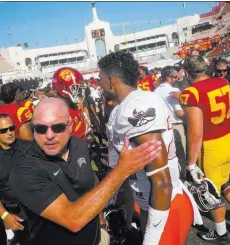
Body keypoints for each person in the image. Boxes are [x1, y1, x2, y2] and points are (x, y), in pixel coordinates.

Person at [9, 97, 162, 245]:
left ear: (70, 126)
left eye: (58, 127)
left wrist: (101, 225)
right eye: (41, 129)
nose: (49, 135)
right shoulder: (24, 170)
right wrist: (121, 170)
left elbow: (91, 182)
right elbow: (73, 220)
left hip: (97, 238)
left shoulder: (79, 146)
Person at [98, 51, 198, 245]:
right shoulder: (122, 108)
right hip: (149, 204)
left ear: (111, 80)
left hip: (164, 205)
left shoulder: (135, 107)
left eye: (101, 79)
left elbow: (161, 181)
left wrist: (152, 239)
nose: (99, 85)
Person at [180, 55, 230, 243]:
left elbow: (195, 133)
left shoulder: (191, 93)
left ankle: (221, 234)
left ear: (188, 72)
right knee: (225, 182)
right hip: (227, 140)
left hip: (210, 147)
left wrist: (190, 163)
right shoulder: (222, 81)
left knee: (211, 193)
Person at [0, 114, 31, 245]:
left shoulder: (31, 148)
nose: (9, 133)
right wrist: (5, 216)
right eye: (3, 130)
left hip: (40, 209)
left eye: (11, 128)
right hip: (16, 215)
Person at [155, 67, 187, 181]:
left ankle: (174, 179)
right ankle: (183, 179)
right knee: (181, 155)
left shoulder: (156, 91)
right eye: (175, 77)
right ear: (168, 78)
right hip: (176, 126)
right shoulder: (172, 90)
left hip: (163, 127)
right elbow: (180, 112)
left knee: (169, 156)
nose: (176, 79)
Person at [0, 83, 34, 148]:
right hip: (16, 152)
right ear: (16, 97)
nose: (23, 95)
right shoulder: (20, 112)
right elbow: (28, 141)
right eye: (21, 93)